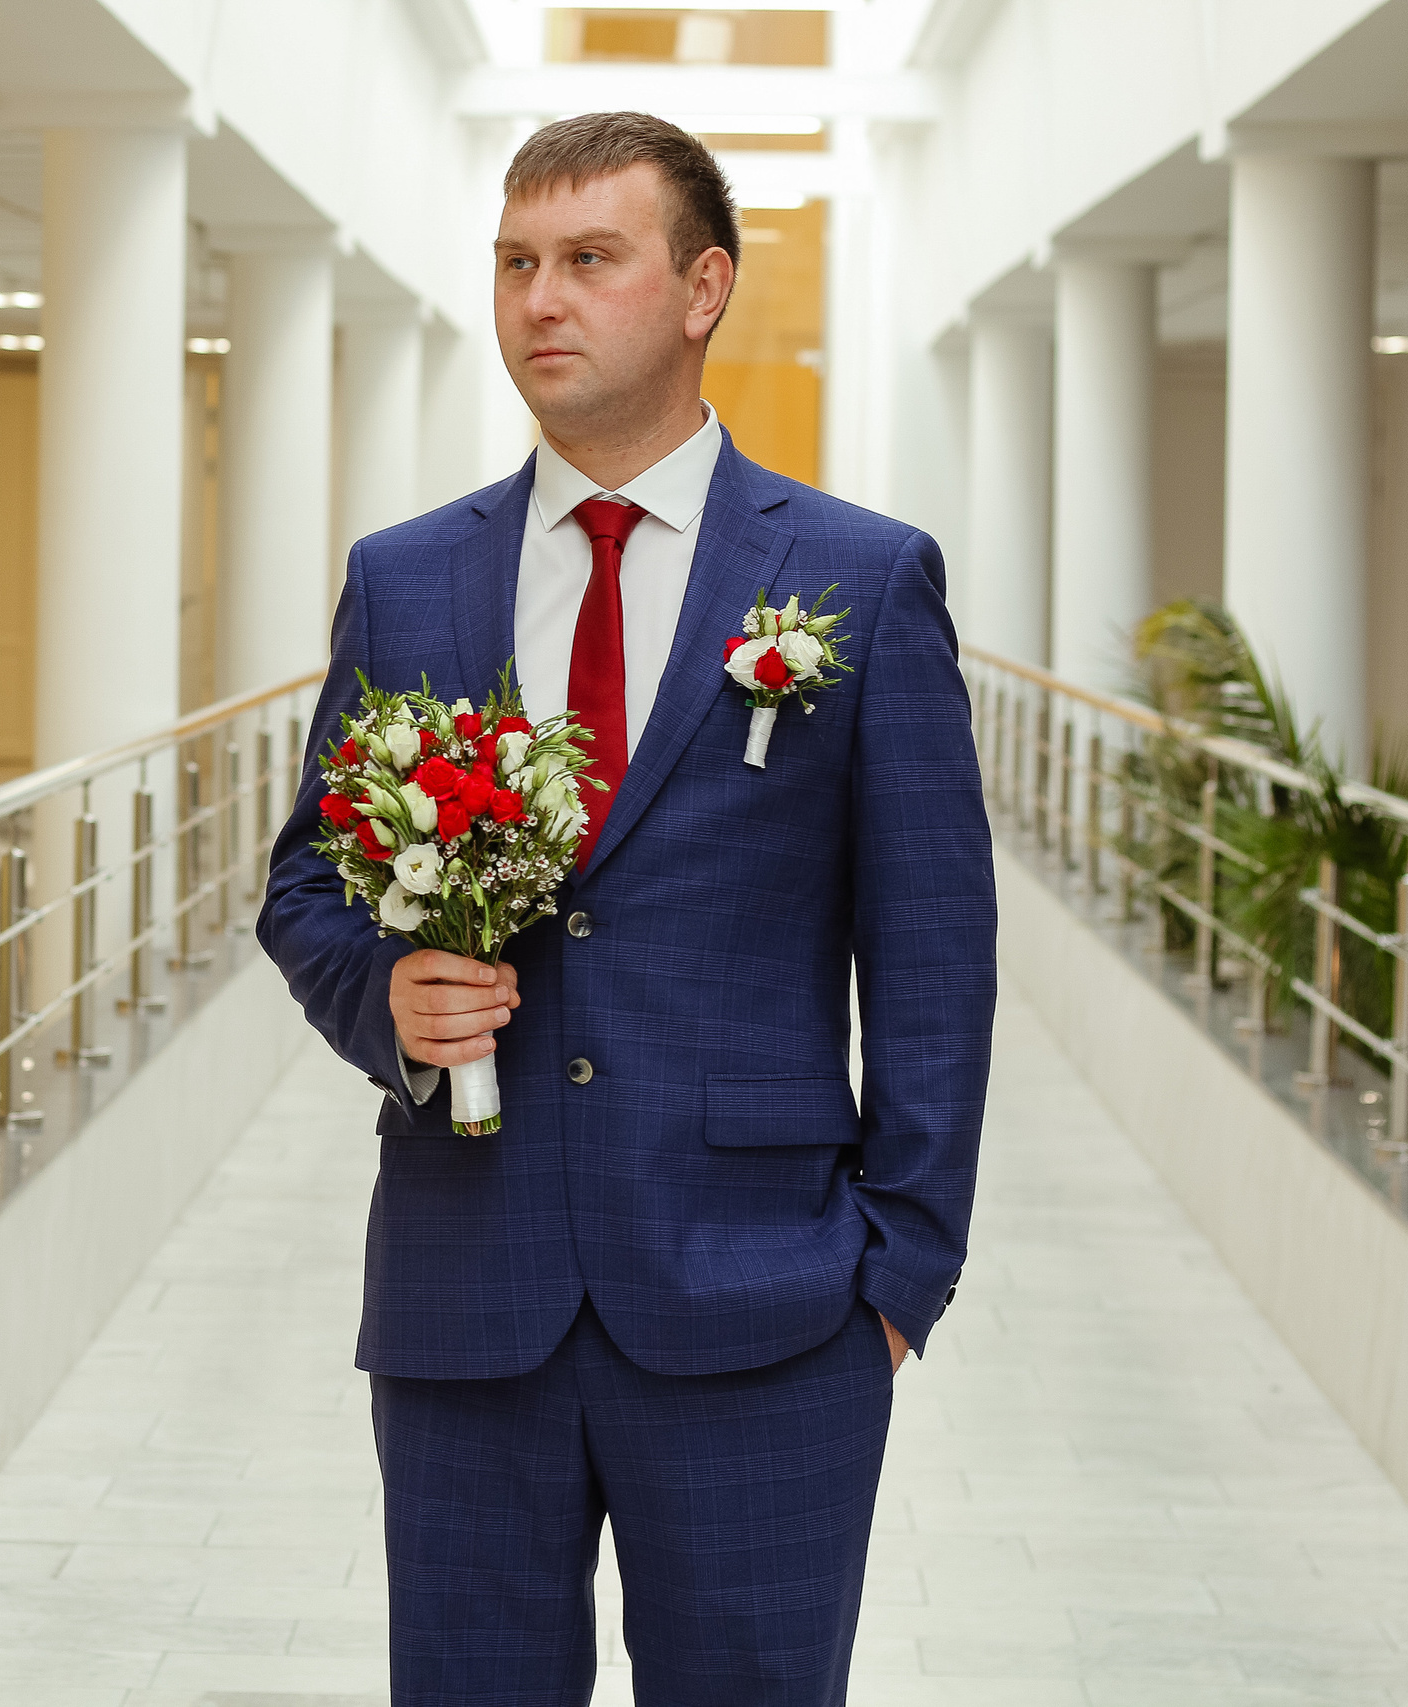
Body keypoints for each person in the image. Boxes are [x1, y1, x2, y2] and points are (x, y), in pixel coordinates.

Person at [257, 112, 995, 1706]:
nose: (542, 299)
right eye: (519, 263)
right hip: (469, 1293)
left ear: (703, 286)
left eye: (592, 259)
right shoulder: (408, 580)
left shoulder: (860, 584)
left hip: (768, 1308)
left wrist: (899, 1279)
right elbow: (308, 886)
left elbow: (933, 954)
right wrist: (383, 998)